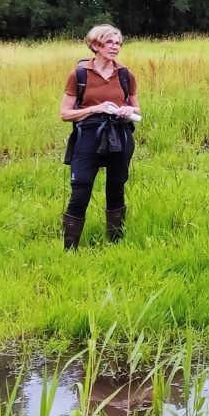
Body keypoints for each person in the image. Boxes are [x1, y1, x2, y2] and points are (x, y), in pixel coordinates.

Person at [59, 24, 140, 249]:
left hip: (120, 135)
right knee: (81, 188)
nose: (115, 47)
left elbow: (138, 110)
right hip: (88, 136)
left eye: (118, 44)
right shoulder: (79, 75)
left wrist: (128, 111)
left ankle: (115, 244)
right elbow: (65, 114)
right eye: (110, 43)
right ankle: (69, 249)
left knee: (116, 187)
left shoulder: (125, 75)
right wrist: (95, 109)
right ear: (95, 45)